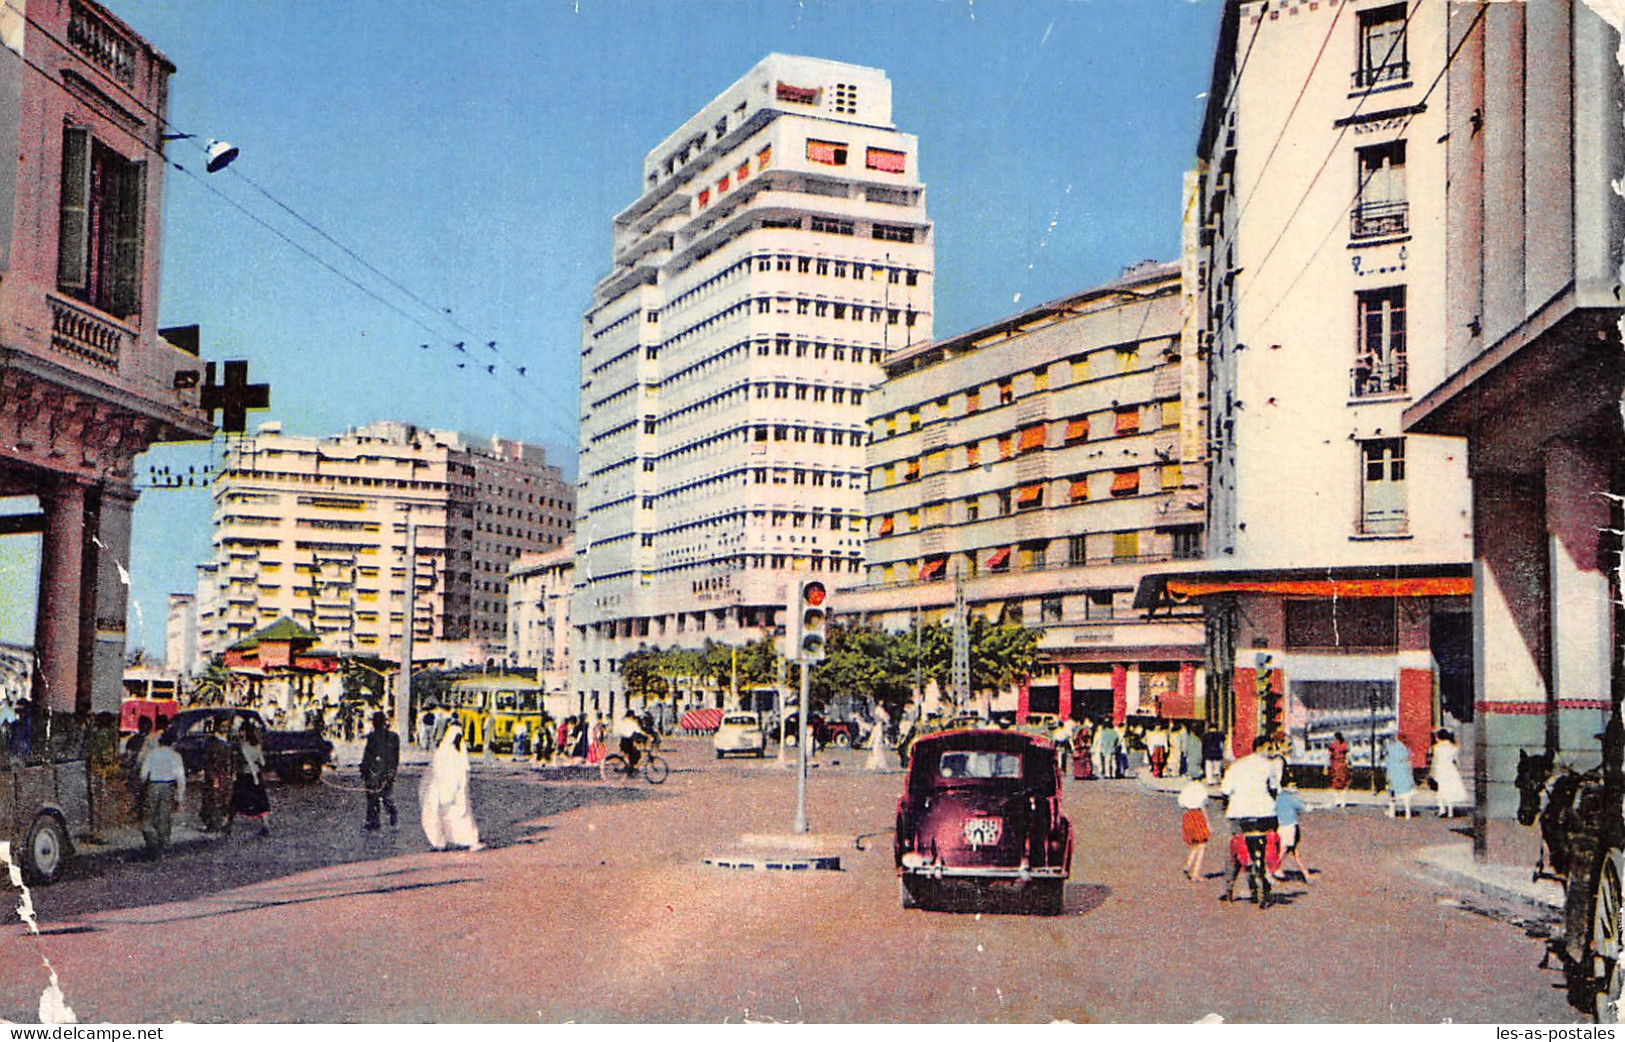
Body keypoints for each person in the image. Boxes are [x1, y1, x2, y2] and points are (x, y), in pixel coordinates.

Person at [1219, 736, 1281, 904]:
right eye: (1268, 748)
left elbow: (1225, 790)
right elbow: (1275, 788)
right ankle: (1263, 880)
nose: (1271, 752)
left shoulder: (1236, 766)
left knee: (1237, 850)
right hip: (1265, 813)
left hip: (1240, 812)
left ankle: (1229, 887)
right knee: (1265, 846)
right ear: (1260, 748)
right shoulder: (1269, 766)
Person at [420, 722, 482, 852]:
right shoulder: (454, 752)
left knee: (450, 815)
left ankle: (446, 841)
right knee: (456, 815)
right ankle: (452, 840)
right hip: (450, 790)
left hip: (448, 790)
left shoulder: (446, 750)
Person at [139, 731, 187, 857]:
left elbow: (143, 774)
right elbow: (180, 778)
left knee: (148, 819)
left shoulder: (152, 753)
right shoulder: (176, 756)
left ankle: (152, 843)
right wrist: (180, 797)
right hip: (169, 786)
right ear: (173, 743)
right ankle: (164, 845)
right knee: (164, 818)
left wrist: (144, 785)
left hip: (153, 785)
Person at [361, 711, 400, 831]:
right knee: (384, 796)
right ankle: (389, 818)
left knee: (374, 797)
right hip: (384, 771)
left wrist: (364, 770)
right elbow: (395, 757)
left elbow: (367, 755)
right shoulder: (393, 737)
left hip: (375, 772)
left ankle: (373, 821)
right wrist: (392, 772)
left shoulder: (373, 737)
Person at [233, 720, 272, 835]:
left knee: (237, 799)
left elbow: (248, 762)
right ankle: (266, 825)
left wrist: (254, 777)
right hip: (257, 773)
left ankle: (228, 823)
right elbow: (262, 761)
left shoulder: (244, 745)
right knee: (261, 800)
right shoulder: (257, 745)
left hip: (246, 774)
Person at [1273, 775, 1312, 884]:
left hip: (1281, 826)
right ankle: (1274, 869)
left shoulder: (1278, 797)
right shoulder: (1290, 798)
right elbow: (1304, 808)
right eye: (1293, 786)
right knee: (1286, 849)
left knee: (1291, 851)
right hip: (1289, 827)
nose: (1295, 788)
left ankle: (1305, 874)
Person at [200, 717, 234, 833]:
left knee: (225, 799)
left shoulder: (228, 741)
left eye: (227, 726)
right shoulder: (212, 742)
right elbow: (208, 761)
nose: (226, 728)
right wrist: (212, 776)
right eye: (223, 726)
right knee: (212, 799)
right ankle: (212, 823)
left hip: (225, 774)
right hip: (215, 773)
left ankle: (221, 822)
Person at [1430, 728, 1469, 818]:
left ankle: (1442, 809)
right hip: (1450, 769)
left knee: (1440, 790)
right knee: (1449, 789)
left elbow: (1435, 761)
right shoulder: (1454, 747)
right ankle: (1450, 810)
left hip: (1440, 769)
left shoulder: (1437, 747)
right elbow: (1456, 761)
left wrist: (1432, 772)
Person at [1178, 777, 1211, 882]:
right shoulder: (1201, 789)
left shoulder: (1186, 788)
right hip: (1198, 814)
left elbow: (1181, 803)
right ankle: (1195, 872)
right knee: (1202, 844)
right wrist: (1208, 823)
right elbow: (1203, 805)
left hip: (1188, 815)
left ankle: (1188, 864)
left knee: (1194, 843)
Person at [1385, 735, 1417, 819]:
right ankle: (1408, 812)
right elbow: (1409, 761)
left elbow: (1387, 760)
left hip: (1393, 771)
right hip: (1404, 771)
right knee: (1406, 793)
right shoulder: (1406, 749)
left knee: (1392, 792)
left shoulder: (1391, 747)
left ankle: (1392, 811)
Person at [614, 709, 645, 773]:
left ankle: (629, 767)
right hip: (628, 740)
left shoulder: (623, 721)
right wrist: (647, 735)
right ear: (631, 716)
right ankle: (629, 767)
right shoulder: (631, 722)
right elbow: (638, 730)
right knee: (635, 754)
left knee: (627, 754)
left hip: (623, 740)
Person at [1327, 732, 1351, 808]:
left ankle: (1337, 800)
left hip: (1335, 765)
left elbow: (1330, 755)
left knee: (1335, 783)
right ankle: (1343, 801)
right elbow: (1347, 756)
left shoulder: (1333, 745)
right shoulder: (1344, 745)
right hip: (1342, 765)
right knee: (1343, 783)